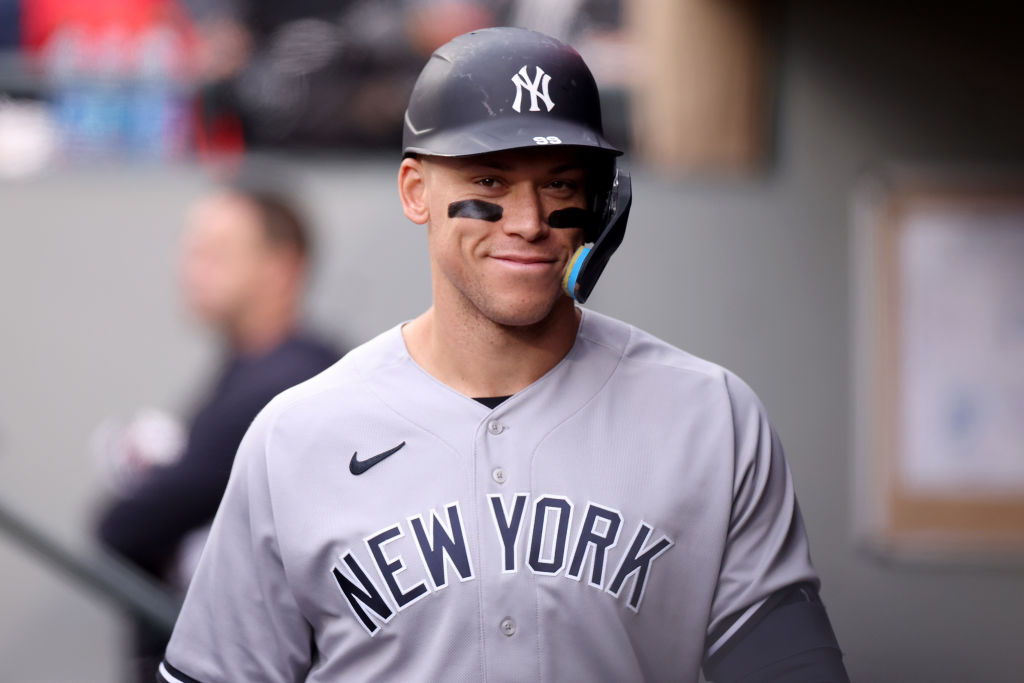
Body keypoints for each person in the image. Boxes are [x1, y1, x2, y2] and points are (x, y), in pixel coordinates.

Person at [155, 27, 849, 683]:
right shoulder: (296, 435)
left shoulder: (711, 418)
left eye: (560, 184)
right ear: (415, 190)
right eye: (489, 181)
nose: (528, 221)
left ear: (604, 203)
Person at [96, 183, 341, 682]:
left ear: (281, 267)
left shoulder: (282, 385)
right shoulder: (262, 368)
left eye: (216, 253)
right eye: (190, 249)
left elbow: (126, 527)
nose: (191, 267)